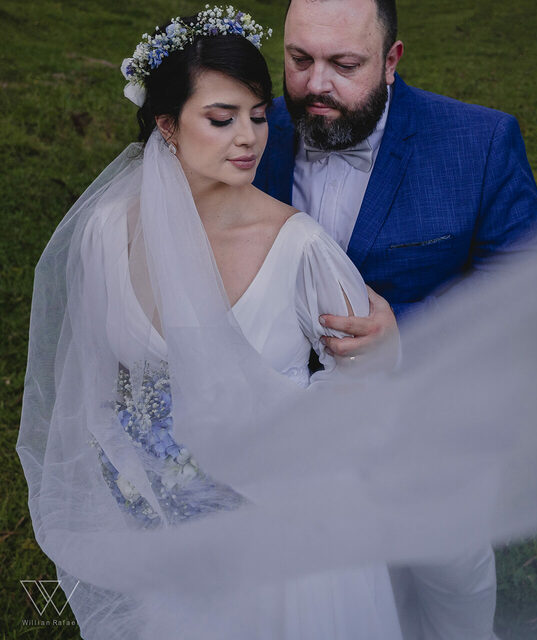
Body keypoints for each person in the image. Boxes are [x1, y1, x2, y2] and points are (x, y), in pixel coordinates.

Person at [18, 7, 402, 638]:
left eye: (258, 116)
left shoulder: (301, 247)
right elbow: (96, 383)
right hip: (164, 533)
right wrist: (140, 479)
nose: (248, 138)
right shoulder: (106, 233)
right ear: (167, 125)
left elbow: (362, 381)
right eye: (221, 119)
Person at [254, 2, 537, 637]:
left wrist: (406, 335)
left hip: (431, 426)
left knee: (448, 576)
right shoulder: (250, 131)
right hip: (289, 433)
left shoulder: (479, 142)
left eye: (344, 64)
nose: (316, 84)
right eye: (299, 59)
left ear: (391, 61)